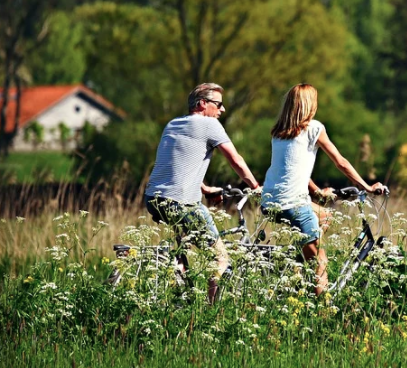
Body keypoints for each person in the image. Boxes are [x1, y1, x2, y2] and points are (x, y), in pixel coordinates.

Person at [261, 83, 384, 296]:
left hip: (270, 199)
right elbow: (341, 162)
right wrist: (367, 187)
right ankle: (322, 313)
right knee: (321, 261)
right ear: (310, 105)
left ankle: (299, 266)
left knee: (324, 215)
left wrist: (317, 191)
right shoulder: (314, 128)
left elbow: (291, 169)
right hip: (294, 203)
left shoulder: (279, 133)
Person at [144, 83, 260, 303]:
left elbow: (177, 166)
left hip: (153, 198)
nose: (222, 110)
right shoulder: (209, 124)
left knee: (181, 252)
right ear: (202, 104)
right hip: (181, 202)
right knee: (220, 258)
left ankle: (180, 297)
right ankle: (210, 312)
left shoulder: (173, 124)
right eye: (218, 104)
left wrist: (205, 189)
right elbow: (235, 159)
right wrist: (255, 186)